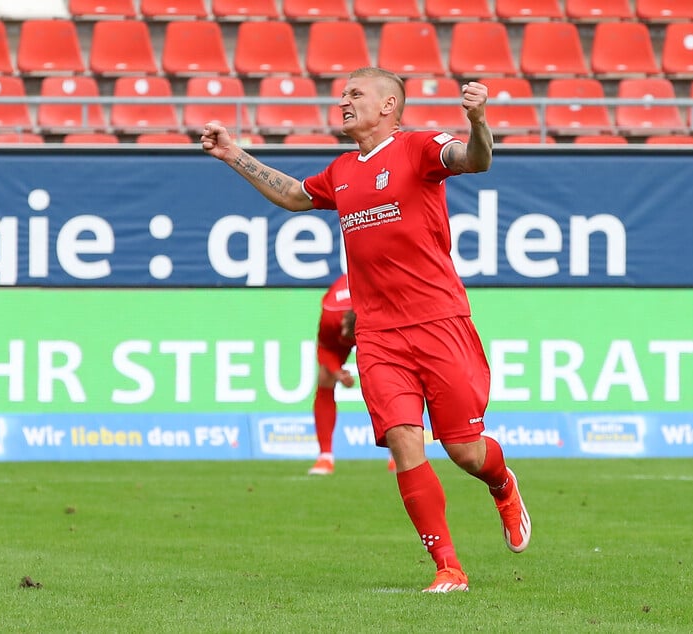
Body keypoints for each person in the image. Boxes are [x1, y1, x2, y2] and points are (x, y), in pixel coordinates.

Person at [201, 67, 530, 594]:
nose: (343, 102)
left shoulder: (420, 147)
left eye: (355, 94)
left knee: (465, 451)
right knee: (404, 443)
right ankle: (449, 567)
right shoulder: (342, 170)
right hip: (377, 334)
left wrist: (478, 120)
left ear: (388, 106)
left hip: (439, 321)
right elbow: (292, 195)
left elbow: (475, 159)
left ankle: (503, 483)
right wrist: (233, 155)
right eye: (343, 93)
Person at [307, 273, 396, 475]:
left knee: (390, 383)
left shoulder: (385, 311)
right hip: (359, 316)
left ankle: (398, 454)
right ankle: (325, 457)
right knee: (325, 377)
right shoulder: (332, 315)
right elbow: (324, 349)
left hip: (378, 328)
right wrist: (338, 373)